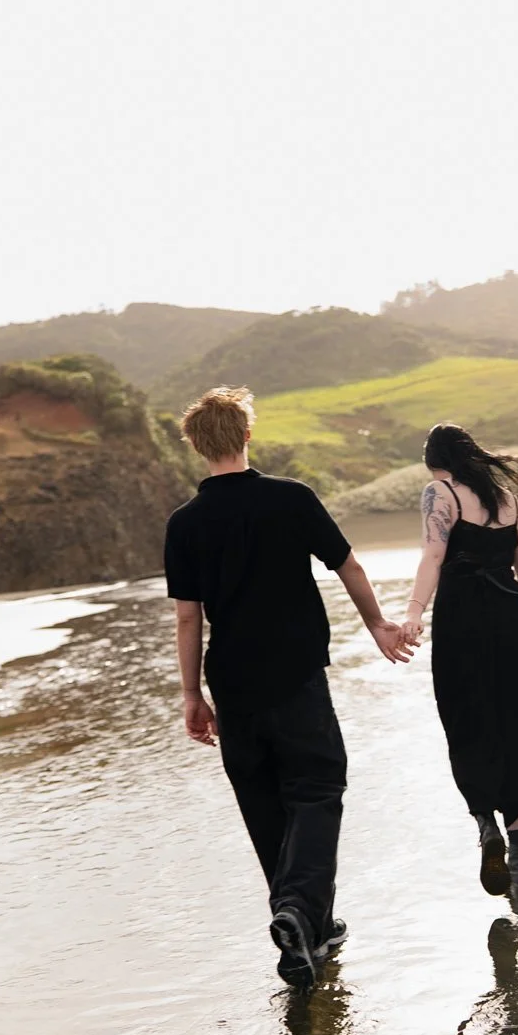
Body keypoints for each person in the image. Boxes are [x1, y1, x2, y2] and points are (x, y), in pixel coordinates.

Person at [164, 386, 414, 988]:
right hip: (296, 673)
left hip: (233, 681)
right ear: (247, 436)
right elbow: (347, 564)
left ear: (196, 446)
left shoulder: (184, 525)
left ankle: (306, 935)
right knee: (318, 787)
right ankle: (299, 913)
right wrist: (377, 624)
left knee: (263, 803)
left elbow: (187, 616)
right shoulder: (291, 499)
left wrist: (192, 695)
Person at [399, 424, 518, 896]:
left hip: (463, 627)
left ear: (433, 462)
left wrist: (414, 614)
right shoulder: (507, 501)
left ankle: (485, 825)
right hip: (512, 626)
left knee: (469, 724)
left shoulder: (440, 493)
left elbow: (432, 557)